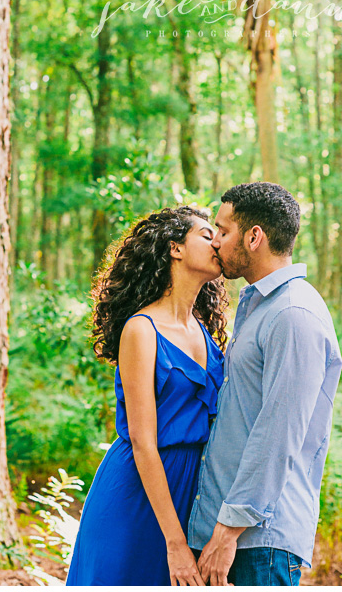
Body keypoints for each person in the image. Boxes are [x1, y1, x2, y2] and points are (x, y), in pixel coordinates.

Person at [188, 182, 342, 586]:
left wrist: (228, 531)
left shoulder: (294, 313)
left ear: (254, 237)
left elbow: (279, 433)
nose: (215, 241)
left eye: (223, 231)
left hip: (259, 541)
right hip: (232, 533)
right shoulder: (259, 306)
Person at [66, 206, 229, 586]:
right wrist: (175, 543)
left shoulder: (203, 329)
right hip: (138, 492)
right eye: (206, 235)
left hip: (192, 490)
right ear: (175, 248)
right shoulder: (141, 329)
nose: (217, 242)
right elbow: (142, 442)